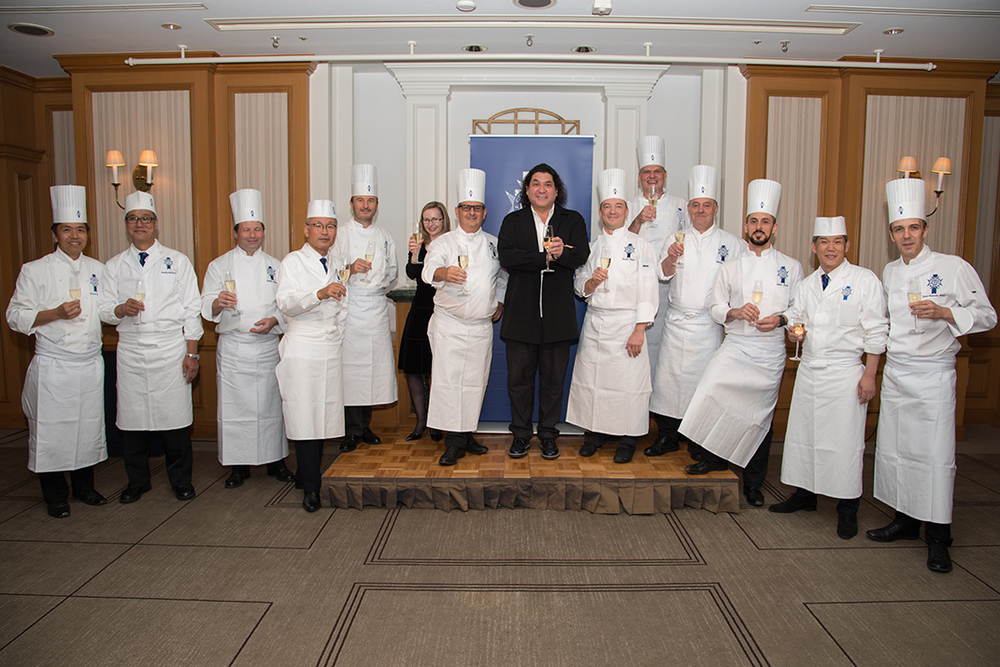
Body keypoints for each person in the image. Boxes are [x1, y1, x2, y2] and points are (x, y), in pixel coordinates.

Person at [867, 177, 997, 572]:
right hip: (898, 372)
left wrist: (945, 312)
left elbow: (988, 315)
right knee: (896, 449)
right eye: (898, 229)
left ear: (925, 229)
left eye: (913, 228)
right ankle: (905, 520)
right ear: (892, 234)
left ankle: (939, 536)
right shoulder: (890, 271)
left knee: (935, 456)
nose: (906, 236)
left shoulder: (952, 267)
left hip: (934, 375)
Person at [680, 179, 803, 507]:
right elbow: (716, 307)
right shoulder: (730, 267)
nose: (759, 227)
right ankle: (712, 457)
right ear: (745, 226)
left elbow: (800, 309)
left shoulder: (791, 267)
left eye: (765, 221)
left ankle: (753, 483)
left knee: (758, 417)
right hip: (735, 346)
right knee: (711, 393)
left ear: (774, 227)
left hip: (769, 351)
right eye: (753, 221)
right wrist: (734, 311)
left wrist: (781, 320)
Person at [770, 216, 887, 539]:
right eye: (824, 242)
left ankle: (847, 507)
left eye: (837, 242)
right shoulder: (807, 284)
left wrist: (870, 375)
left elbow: (877, 330)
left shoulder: (864, 280)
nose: (830, 248)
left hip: (846, 372)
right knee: (804, 435)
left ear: (847, 246)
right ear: (814, 247)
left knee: (844, 442)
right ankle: (805, 494)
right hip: (810, 369)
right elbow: (798, 319)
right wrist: (794, 332)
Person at [6, 185, 108, 518]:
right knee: (52, 430)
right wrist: (55, 314)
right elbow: (15, 316)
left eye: (80, 230)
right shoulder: (34, 270)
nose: (74, 236)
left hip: (88, 363)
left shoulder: (98, 269)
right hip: (55, 364)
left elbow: (106, 310)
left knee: (86, 427)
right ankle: (55, 495)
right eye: (67, 230)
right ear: (55, 235)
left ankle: (84, 487)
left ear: (87, 235)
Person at [98, 191, 203, 504]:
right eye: (133, 219)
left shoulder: (177, 261)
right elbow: (103, 309)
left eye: (146, 218)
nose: (139, 224)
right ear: (126, 225)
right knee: (132, 420)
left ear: (156, 224)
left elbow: (192, 308)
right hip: (131, 350)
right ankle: (137, 481)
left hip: (171, 348)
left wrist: (192, 353)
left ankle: (181, 480)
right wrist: (120, 309)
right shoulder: (114, 265)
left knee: (175, 420)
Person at [647, 165, 743, 459]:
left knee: (703, 384)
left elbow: (738, 284)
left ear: (716, 209)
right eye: (696, 205)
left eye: (706, 205)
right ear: (688, 209)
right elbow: (662, 274)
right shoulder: (675, 239)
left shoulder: (731, 243)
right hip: (676, 321)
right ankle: (667, 435)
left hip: (708, 324)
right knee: (668, 382)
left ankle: (699, 440)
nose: (701, 211)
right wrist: (670, 258)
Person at [201, 189, 292, 489]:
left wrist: (274, 321)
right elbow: (205, 304)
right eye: (246, 230)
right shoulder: (219, 265)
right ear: (236, 233)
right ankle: (238, 466)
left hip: (267, 347)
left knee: (270, 406)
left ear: (263, 232)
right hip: (234, 348)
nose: (252, 235)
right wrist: (217, 303)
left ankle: (275, 461)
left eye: (257, 230)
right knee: (234, 407)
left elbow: (286, 305)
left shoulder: (276, 265)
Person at [498, 163, 590, 460]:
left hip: (557, 315)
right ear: (526, 191)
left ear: (556, 190)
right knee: (519, 382)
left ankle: (549, 435)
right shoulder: (513, 221)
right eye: (535, 184)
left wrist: (564, 253)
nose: (541, 189)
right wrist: (543, 258)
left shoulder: (571, 219)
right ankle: (521, 435)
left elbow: (581, 255)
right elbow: (507, 257)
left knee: (553, 382)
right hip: (520, 315)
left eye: (548, 184)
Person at [566, 168, 658, 463]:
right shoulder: (592, 247)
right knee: (594, 383)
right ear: (600, 212)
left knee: (627, 386)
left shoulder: (641, 246)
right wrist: (592, 283)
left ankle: (628, 439)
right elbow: (580, 285)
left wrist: (640, 328)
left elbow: (648, 288)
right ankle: (595, 434)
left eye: (618, 206)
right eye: (607, 206)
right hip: (596, 324)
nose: (613, 211)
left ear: (626, 211)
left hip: (627, 324)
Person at [423, 169, 506, 466]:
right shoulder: (443, 243)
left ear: (485, 213)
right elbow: (428, 270)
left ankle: (466, 433)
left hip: (481, 327)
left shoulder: (494, 243)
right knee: (449, 384)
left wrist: (500, 301)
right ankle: (453, 442)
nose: (472, 213)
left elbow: (502, 277)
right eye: (466, 208)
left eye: (477, 208)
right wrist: (444, 272)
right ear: (457, 211)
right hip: (450, 324)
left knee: (474, 383)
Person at [274, 200, 348, 512]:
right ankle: (311, 488)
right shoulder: (292, 262)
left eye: (330, 226)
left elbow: (343, 306)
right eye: (318, 225)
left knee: (322, 415)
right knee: (305, 415)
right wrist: (319, 294)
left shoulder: (337, 262)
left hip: (329, 347)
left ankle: (306, 475)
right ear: (306, 230)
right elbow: (285, 304)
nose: (324, 231)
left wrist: (336, 337)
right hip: (303, 347)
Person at [338, 164, 398, 451]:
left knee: (373, 369)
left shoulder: (385, 235)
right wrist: (349, 269)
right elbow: (329, 272)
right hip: (349, 308)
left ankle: (365, 427)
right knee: (351, 371)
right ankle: (351, 430)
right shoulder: (339, 234)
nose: (365, 205)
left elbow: (392, 272)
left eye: (370, 200)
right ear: (351, 204)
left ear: (376, 204)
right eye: (360, 200)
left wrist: (376, 286)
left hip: (375, 307)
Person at [628, 135, 689, 393]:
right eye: (646, 172)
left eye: (657, 172)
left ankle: (656, 403)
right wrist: (638, 220)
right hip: (635, 287)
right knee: (636, 346)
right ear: (639, 177)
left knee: (663, 348)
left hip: (668, 286)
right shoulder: (628, 205)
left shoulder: (681, 205)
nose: (652, 176)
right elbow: (622, 243)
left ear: (665, 175)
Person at [398, 201, 450, 442]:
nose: (431, 224)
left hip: (442, 308)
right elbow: (412, 273)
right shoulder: (419, 244)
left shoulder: (450, 244)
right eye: (427, 219)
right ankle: (421, 421)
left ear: (444, 220)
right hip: (419, 309)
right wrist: (414, 253)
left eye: (435, 219)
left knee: (436, 369)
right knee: (413, 368)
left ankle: (436, 423)